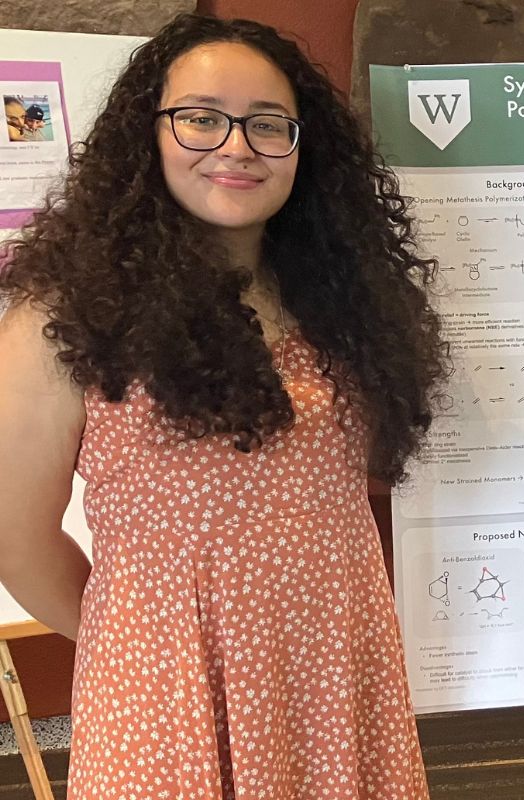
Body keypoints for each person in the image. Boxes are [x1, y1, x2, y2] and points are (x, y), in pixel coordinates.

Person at [0, 13, 446, 799]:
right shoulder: (63, 315)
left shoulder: (342, 302)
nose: (236, 146)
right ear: (149, 133)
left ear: (304, 149)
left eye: (267, 125)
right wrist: (143, 641)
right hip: (167, 702)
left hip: (335, 679)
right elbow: (15, 540)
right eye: (201, 118)